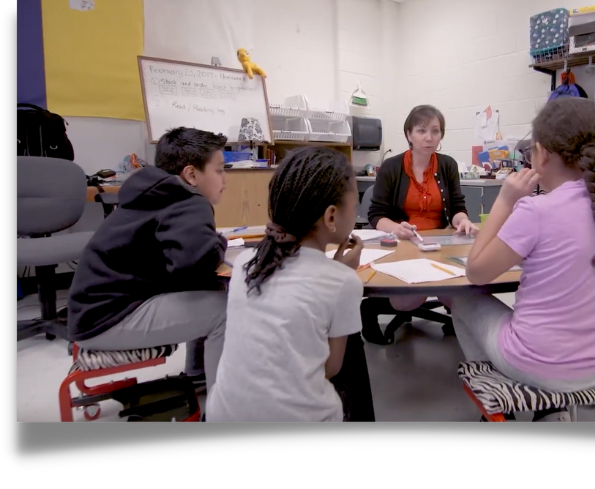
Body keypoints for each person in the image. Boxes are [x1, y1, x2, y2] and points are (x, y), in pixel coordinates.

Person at [449, 98, 595, 422]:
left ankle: (501, 390)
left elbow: (475, 272)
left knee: (459, 299)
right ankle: (549, 411)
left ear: (542, 153)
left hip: (539, 366)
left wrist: (505, 200)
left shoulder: (536, 211)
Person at [207, 147, 375, 422]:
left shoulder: (246, 263)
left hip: (221, 413)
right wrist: (341, 274)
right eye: (354, 205)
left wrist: (335, 272)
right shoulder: (343, 282)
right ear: (331, 217)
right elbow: (330, 369)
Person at [68, 127, 229, 392]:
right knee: (225, 310)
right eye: (220, 170)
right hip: (107, 320)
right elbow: (198, 264)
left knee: (206, 290)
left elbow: (185, 265)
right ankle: (223, 409)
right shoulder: (189, 200)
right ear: (191, 174)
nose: (225, 179)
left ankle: (198, 374)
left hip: (92, 312)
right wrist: (219, 242)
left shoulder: (154, 192)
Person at [364, 105, 478, 342]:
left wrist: (463, 221)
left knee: (457, 295)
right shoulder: (392, 167)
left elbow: (457, 207)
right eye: (421, 131)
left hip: (440, 244)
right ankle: (370, 309)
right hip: (403, 243)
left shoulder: (447, 165)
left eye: (435, 131)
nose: (429, 138)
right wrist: (396, 228)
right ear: (409, 134)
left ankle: (445, 304)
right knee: (408, 301)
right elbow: (376, 215)